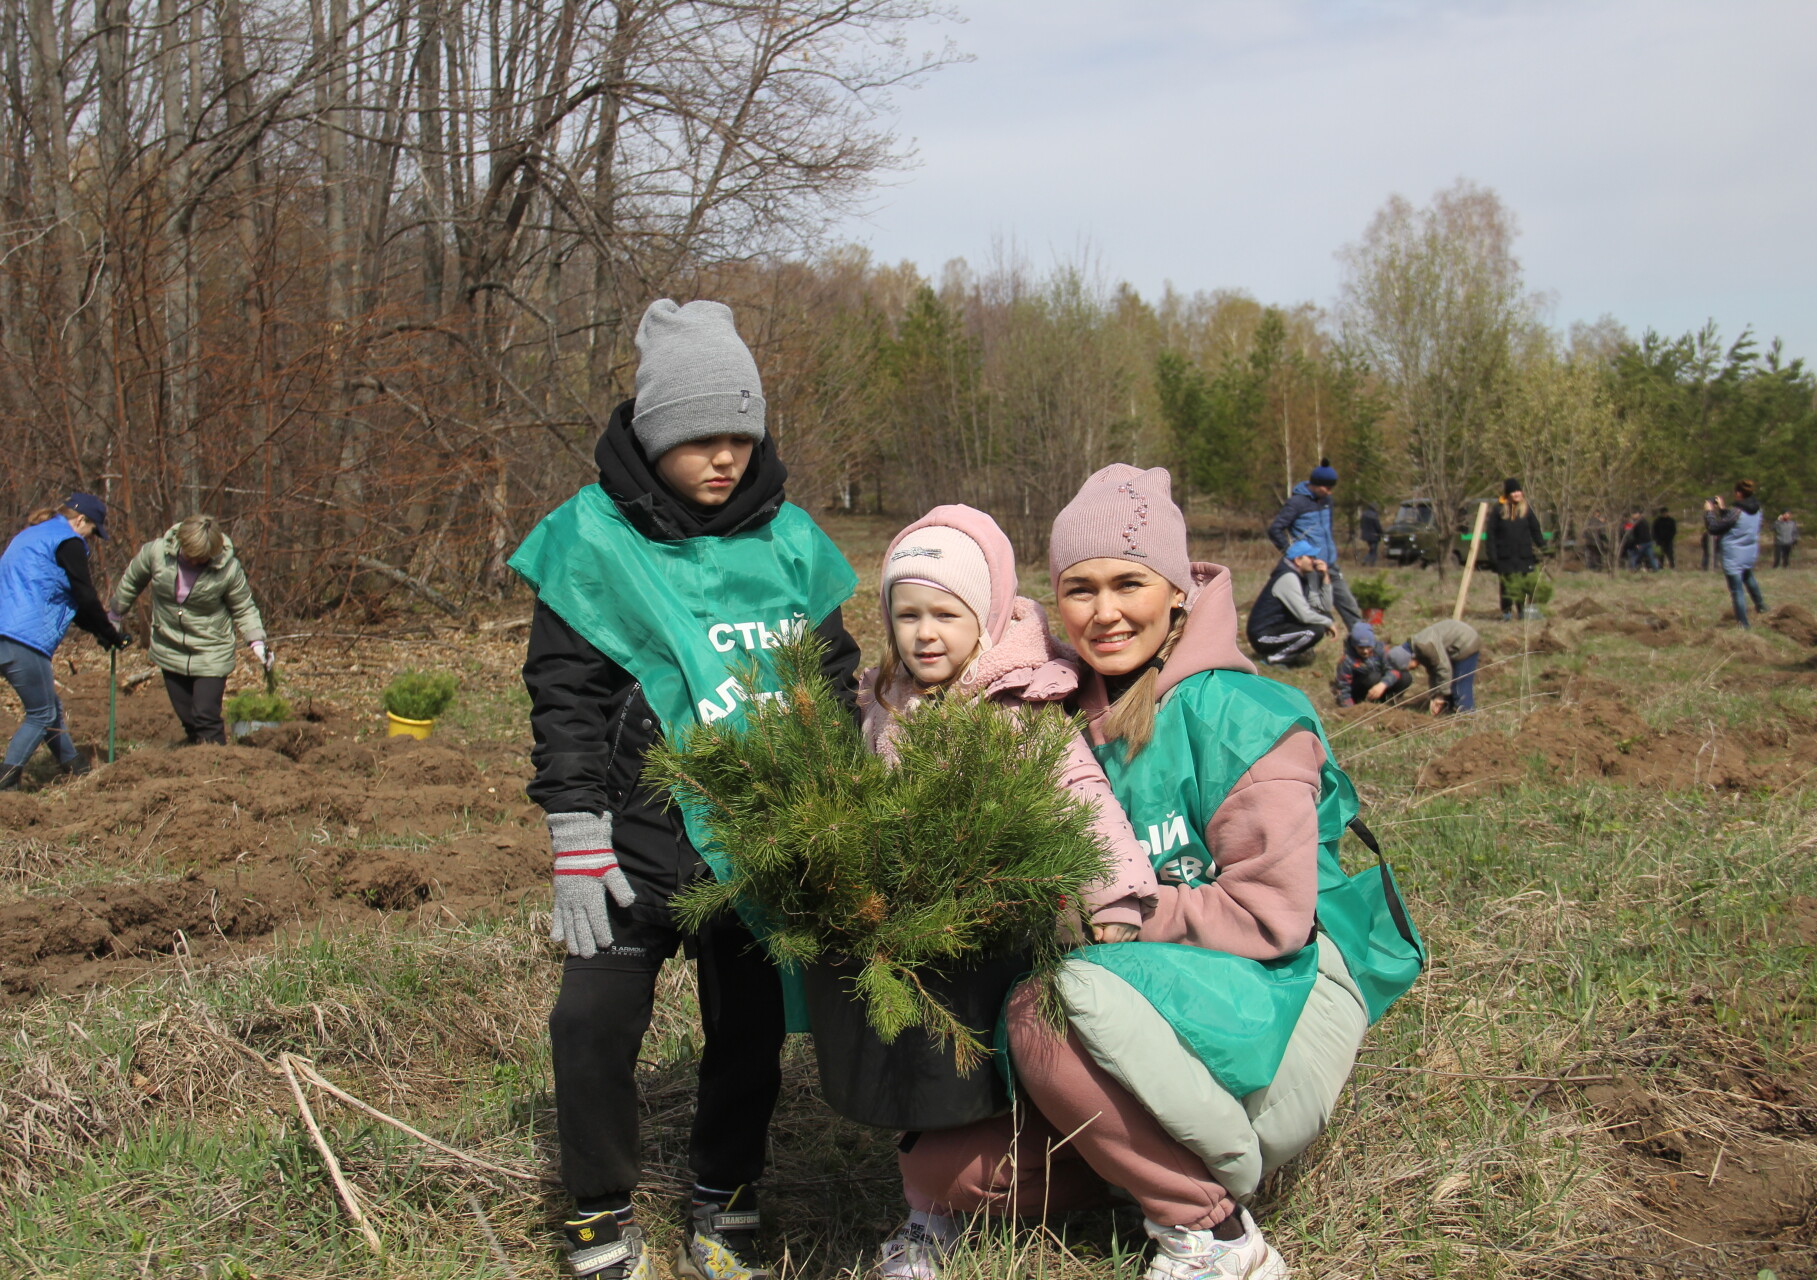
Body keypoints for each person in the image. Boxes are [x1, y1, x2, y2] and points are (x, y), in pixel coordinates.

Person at [885, 464, 1423, 1280]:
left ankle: (1214, 1235)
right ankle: (1136, 1163)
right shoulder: (1050, 718)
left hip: (1274, 1011)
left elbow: (1273, 921)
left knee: (1044, 1010)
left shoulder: (1248, 717)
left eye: (1128, 583)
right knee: (935, 1174)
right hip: (1124, 1027)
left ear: (1176, 589)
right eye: (1079, 589)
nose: (1103, 613)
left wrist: (1118, 915)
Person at [508, 299, 864, 1280]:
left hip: (753, 843)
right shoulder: (591, 540)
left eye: (741, 435)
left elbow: (834, 679)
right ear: (655, 431)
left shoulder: (789, 540)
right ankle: (598, 1206)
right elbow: (566, 696)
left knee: (747, 1030)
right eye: (702, 437)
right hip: (631, 838)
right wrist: (577, 833)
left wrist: (829, 801)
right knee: (587, 1023)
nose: (726, 457)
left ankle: (727, 1193)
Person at [864, 505, 1161, 1278]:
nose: (926, 634)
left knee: (1005, 1070)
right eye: (908, 615)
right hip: (913, 932)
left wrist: (1115, 900)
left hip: (1009, 931)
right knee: (922, 1072)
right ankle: (928, 1219)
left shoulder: (1020, 708)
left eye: (946, 615)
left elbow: (1084, 798)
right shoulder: (885, 705)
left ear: (987, 620)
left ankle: (1088, 1172)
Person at [108, 515, 271, 746]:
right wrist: (115, 614)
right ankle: (194, 767)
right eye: (193, 557)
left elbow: (243, 607)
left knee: (205, 715)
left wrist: (256, 641)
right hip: (169, 645)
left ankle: (217, 767)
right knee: (189, 719)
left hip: (211, 649)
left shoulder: (227, 568)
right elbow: (132, 582)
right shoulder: (156, 554)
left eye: (203, 558)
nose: (196, 563)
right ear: (181, 544)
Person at [0, 493, 126, 790]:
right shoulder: (68, 542)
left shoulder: (31, 536)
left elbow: (69, 600)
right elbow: (84, 594)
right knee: (41, 713)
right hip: (24, 637)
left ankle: (76, 769)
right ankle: (5, 784)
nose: (91, 539)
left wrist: (100, 632)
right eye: (93, 531)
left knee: (49, 706)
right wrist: (109, 633)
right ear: (80, 520)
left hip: (7, 629)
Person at [1266, 461, 1361, 628]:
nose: (1330, 492)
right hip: (1309, 568)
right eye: (1327, 488)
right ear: (1316, 484)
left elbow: (1327, 529)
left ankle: (1363, 644)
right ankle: (1306, 647)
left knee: (1349, 605)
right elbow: (1275, 529)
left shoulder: (1327, 501)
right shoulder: (1296, 503)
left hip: (1329, 565)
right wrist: (1293, 554)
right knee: (1312, 609)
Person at [1246, 541, 1339, 666]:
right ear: (1298, 560)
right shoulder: (1288, 577)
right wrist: (1328, 623)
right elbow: (1304, 615)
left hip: (1279, 628)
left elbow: (1323, 607)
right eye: (1310, 557)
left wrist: (1325, 578)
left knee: (1324, 618)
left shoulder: (1303, 577)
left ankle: (1289, 651)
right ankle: (1275, 659)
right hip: (1263, 636)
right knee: (1315, 630)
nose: (1315, 561)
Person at [1704, 481, 1766, 628]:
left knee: (1736, 590)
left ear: (1738, 493)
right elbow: (1736, 523)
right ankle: (1762, 607)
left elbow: (1714, 528)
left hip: (1733, 554)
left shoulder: (1736, 511)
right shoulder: (1756, 509)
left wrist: (1709, 512)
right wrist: (1723, 509)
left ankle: (1743, 624)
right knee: (1748, 577)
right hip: (1749, 552)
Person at [1386, 620, 1482, 714]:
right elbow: (1434, 671)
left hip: (1465, 642)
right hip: (1455, 644)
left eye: (1408, 667)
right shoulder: (1417, 647)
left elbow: (1444, 669)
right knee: (1450, 684)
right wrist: (1435, 695)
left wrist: (1440, 696)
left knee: (1460, 685)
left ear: (1408, 659)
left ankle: (1467, 714)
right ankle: (1449, 710)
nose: (1411, 669)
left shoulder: (1425, 647)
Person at [1487, 479, 1545, 620]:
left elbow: (1535, 531)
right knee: (1507, 587)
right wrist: (1492, 555)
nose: (1517, 494)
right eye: (1513, 491)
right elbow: (1491, 535)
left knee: (1524, 586)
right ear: (1508, 494)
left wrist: (1544, 547)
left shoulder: (1526, 510)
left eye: (1518, 491)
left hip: (1523, 556)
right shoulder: (1498, 511)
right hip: (1505, 557)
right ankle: (1506, 613)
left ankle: (1522, 612)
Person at [1332, 621, 1409, 708]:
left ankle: (1390, 702)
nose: (1365, 651)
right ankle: (1367, 705)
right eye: (1361, 647)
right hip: (1361, 690)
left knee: (1405, 676)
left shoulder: (1382, 649)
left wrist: (1383, 684)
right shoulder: (1346, 660)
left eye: (1368, 647)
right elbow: (1343, 687)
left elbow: (1393, 669)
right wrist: (1350, 709)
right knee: (1373, 677)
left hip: (1381, 687)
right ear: (1354, 645)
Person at [1652, 507, 1677, 572]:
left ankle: (1672, 567)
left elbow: (1673, 531)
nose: (1664, 514)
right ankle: (1660, 567)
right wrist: (1656, 539)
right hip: (1660, 541)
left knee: (1670, 555)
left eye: (1665, 513)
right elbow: (1654, 531)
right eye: (1663, 513)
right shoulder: (1657, 521)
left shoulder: (1671, 521)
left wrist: (1670, 538)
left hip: (1668, 541)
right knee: (1660, 555)